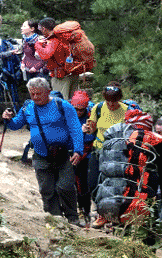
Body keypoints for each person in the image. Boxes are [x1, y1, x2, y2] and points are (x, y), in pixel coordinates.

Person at [3, 78, 83, 225]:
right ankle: (55, 220)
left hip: (64, 154)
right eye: (32, 94)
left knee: (65, 187)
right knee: (47, 189)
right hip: (40, 155)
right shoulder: (28, 108)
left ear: (48, 91)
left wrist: (78, 150)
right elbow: (15, 125)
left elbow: (75, 128)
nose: (35, 97)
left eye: (39, 93)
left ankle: (73, 218)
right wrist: (8, 120)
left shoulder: (62, 105)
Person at [83, 82, 131, 227]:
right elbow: (92, 129)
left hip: (118, 155)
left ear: (119, 99)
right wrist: (87, 128)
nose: (110, 104)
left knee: (115, 186)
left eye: (114, 101)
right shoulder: (98, 108)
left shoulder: (127, 110)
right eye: (108, 101)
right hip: (99, 151)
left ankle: (113, 216)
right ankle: (101, 212)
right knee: (93, 184)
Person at [70, 90, 95, 225]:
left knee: (84, 184)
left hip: (86, 155)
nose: (79, 112)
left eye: (81, 109)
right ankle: (75, 210)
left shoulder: (91, 116)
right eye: (76, 109)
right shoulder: (67, 114)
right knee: (71, 184)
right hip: (71, 153)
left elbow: (92, 139)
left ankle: (86, 211)